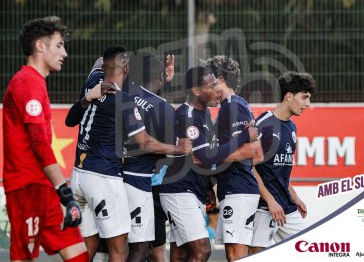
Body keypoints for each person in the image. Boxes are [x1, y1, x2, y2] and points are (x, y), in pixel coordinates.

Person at [69, 45, 191, 261]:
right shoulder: (129, 102)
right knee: (126, 249)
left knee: (89, 248)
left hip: (80, 175)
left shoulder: (94, 80)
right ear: (125, 69)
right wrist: (179, 149)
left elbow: (71, 119)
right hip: (108, 177)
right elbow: (145, 143)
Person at [2, 16, 88, 261]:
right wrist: (64, 188)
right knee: (24, 256)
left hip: (43, 188)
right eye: (59, 45)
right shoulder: (27, 82)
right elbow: (39, 143)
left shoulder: (35, 82)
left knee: (78, 253)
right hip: (26, 188)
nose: (65, 53)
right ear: (40, 46)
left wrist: (57, 189)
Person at [159, 66, 260, 262]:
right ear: (196, 91)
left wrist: (207, 186)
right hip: (179, 190)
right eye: (211, 85)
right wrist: (244, 137)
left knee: (181, 253)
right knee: (203, 250)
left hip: (193, 190)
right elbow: (207, 155)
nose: (216, 89)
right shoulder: (186, 115)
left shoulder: (205, 114)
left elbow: (206, 158)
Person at [201, 55, 260, 261]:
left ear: (221, 78)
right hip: (232, 188)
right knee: (234, 254)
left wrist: (206, 159)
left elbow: (249, 151)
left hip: (239, 190)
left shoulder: (234, 105)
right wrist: (212, 181)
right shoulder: (227, 106)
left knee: (236, 255)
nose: (207, 86)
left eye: (209, 81)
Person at [122, 50, 178, 262]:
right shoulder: (164, 108)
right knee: (149, 250)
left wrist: (163, 81)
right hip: (148, 184)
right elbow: (168, 151)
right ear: (159, 75)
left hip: (118, 176)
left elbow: (146, 101)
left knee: (120, 246)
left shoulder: (124, 92)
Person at [249, 71, 314, 253]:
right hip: (264, 208)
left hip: (286, 207)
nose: (308, 104)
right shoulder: (264, 125)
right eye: (305, 97)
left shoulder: (292, 127)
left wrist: (295, 196)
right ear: (289, 96)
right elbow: (249, 166)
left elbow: (279, 171)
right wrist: (270, 201)